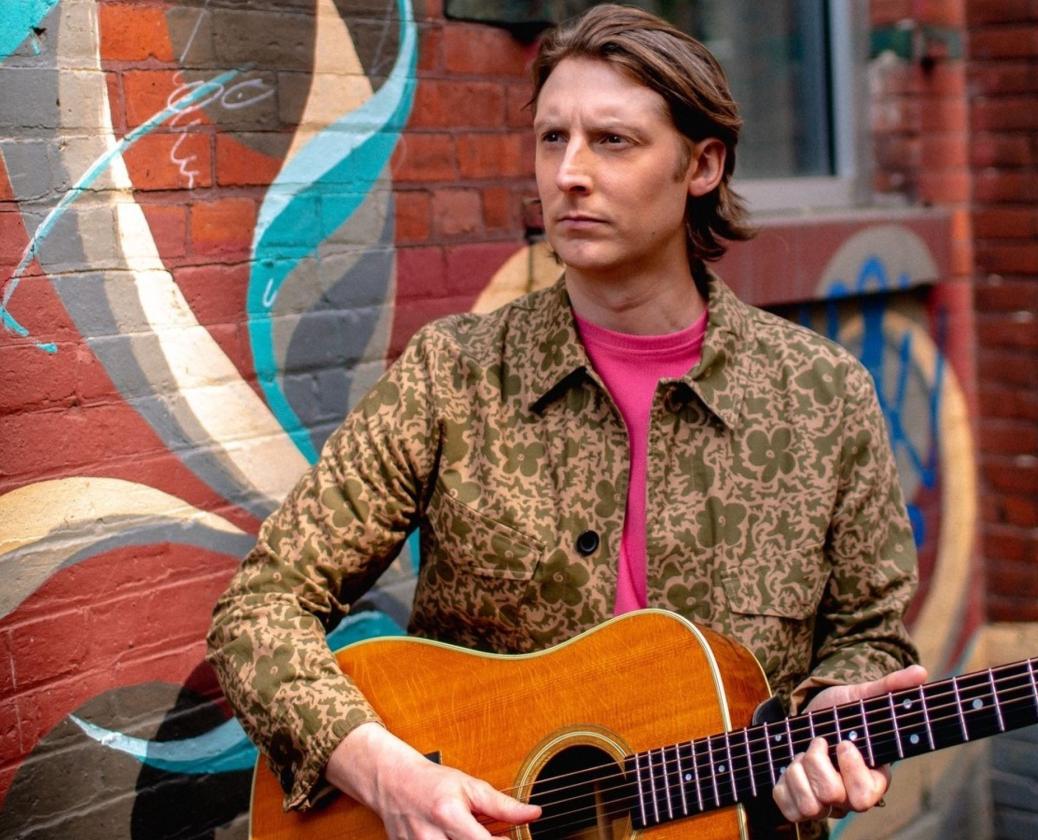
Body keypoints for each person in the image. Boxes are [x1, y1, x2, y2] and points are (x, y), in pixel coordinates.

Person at [206, 5, 924, 838]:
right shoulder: (455, 375)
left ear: (702, 165)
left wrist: (833, 717)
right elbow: (260, 607)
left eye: (612, 141)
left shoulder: (823, 396)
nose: (570, 174)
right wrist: (382, 769)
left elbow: (871, 640)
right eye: (553, 139)